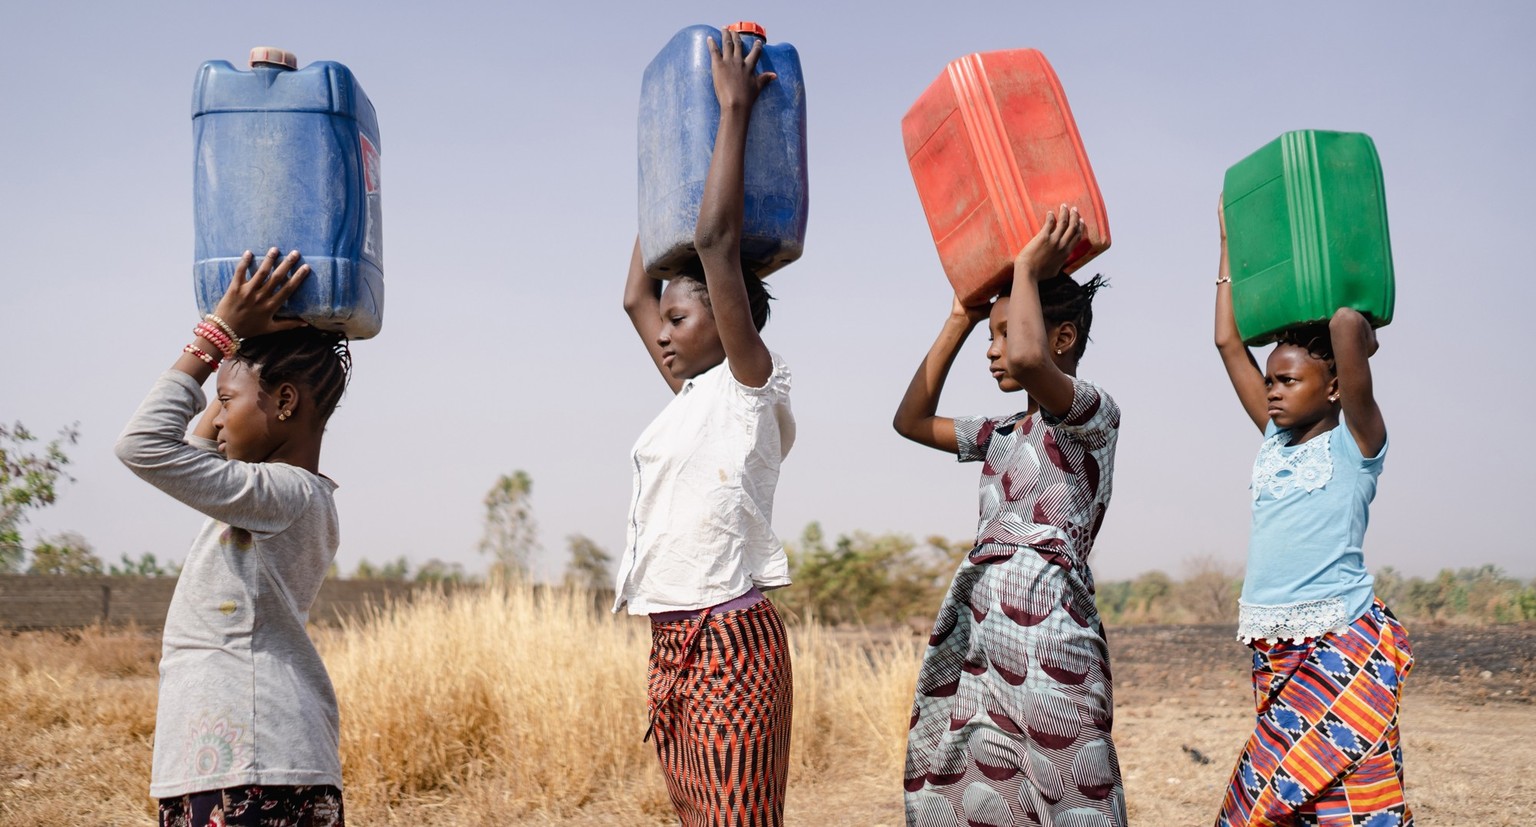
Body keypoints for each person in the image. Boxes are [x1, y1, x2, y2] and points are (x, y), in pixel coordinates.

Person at [894, 206, 1127, 827]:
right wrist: (959, 320)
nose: (994, 350)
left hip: (1052, 628)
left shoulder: (1092, 414)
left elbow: (1027, 362)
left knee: (1074, 787)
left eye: (1004, 332)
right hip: (981, 627)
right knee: (979, 785)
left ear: (1064, 338)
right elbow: (910, 421)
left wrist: (1024, 266)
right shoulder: (1001, 432)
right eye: (991, 335)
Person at [614, 29, 795, 827]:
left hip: (730, 643)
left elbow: (719, 244)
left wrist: (730, 110)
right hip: (672, 644)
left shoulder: (748, 387)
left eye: (679, 316)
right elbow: (630, 298)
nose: (661, 330)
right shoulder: (689, 397)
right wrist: (663, 182)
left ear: (726, 320)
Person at [115, 248, 353, 827]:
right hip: (256, 762)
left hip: (250, 769)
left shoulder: (280, 494)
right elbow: (191, 452)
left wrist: (216, 335)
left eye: (224, 404)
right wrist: (233, 362)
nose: (215, 420)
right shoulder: (275, 494)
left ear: (287, 402)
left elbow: (143, 445)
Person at [1211, 199, 1412, 827]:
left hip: (1340, 636)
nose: (1272, 389)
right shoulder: (1272, 441)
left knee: (1334, 792)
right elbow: (1225, 340)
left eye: (1288, 380)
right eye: (1270, 379)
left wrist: (1349, 315)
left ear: (1332, 386)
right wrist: (1227, 243)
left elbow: (1349, 323)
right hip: (1272, 643)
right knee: (1299, 800)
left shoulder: (1358, 443)